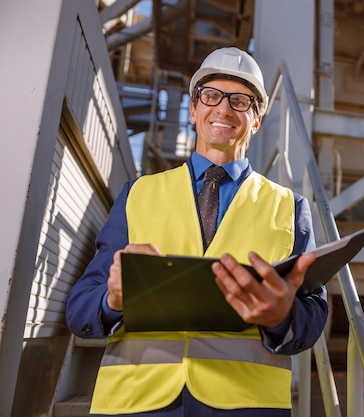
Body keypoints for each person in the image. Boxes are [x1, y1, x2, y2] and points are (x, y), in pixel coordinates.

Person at [65, 46, 328, 416]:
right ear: (193, 109)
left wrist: (281, 316)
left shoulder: (289, 207)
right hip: (136, 403)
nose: (223, 108)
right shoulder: (138, 194)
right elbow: (79, 310)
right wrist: (112, 300)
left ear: (257, 119)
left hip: (246, 405)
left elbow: (312, 317)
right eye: (211, 96)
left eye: (240, 101)